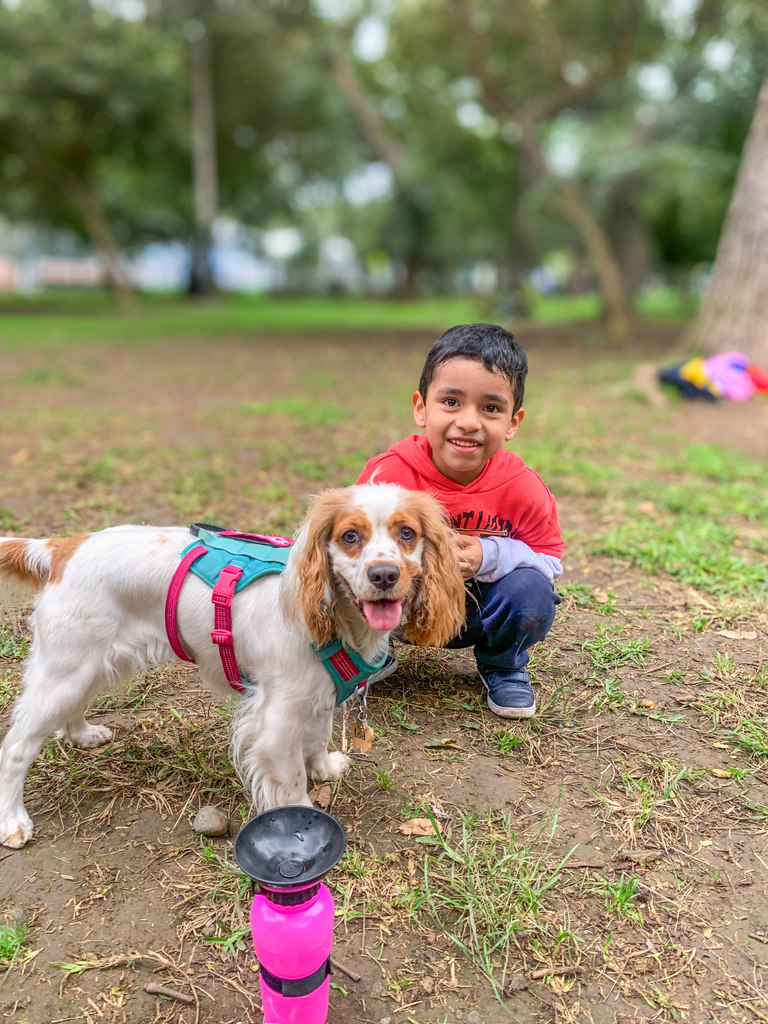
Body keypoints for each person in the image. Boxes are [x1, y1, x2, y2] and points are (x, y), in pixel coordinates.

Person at [356, 323, 563, 719]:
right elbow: (352, 544)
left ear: (513, 421)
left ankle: (503, 664)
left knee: (530, 591)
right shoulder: (388, 475)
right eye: (451, 402)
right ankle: (371, 649)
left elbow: (550, 560)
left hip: (478, 614)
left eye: (490, 408)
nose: (469, 422)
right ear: (421, 408)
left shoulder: (523, 488)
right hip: (401, 604)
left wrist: (489, 554)